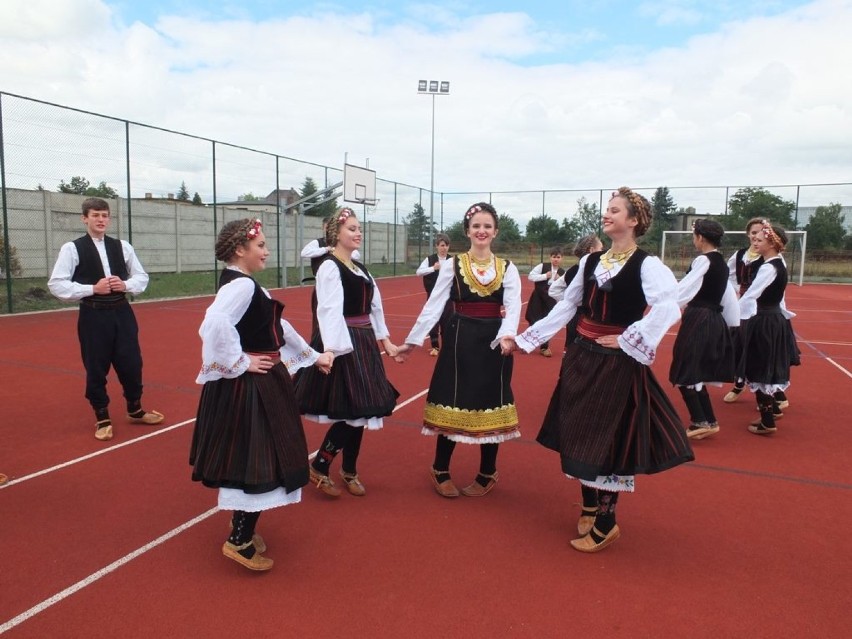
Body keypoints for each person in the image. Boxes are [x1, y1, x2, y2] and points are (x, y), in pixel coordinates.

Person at [513, 187, 693, 553]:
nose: (606, 214)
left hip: (616, 363)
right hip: (583, 356)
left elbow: (668, 308)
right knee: (580, 430)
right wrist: (526, 338)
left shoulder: (647, 265)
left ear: (633, 221)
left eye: (615, 210)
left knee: (608, 438)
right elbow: (567, 306)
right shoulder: (591, 262)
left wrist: (630, 338)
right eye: (607, 209)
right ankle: (590, 506)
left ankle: (607, 522)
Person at [190, 218, 332, 571]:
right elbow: (213, 323)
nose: (267, 251)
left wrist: (314, 357)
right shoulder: (240, 287)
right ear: (241, 250)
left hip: (258, 383)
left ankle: (241, 529)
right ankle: (238, 539)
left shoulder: (247, 285)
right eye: (261, 246)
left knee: (254, 457)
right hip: (251, 387)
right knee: (260, 458)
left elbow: (278, 329)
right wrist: (239, 361)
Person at [395, 202, 521, 498]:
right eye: (476, 225)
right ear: (467, 231)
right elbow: (434, 306)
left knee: (493, 404)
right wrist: (412, 343)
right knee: (452, 400)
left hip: (494, 342)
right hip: (459, 340)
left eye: (487, 226)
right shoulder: (453, 264)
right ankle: (440, 468)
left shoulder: (507, 268)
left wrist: (507, 336)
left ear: (495, 231)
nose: (481, 230)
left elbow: (513, 307)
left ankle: (487, 472)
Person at [294, 208, 400, 498]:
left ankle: (348, 470)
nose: (357, 233)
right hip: (345, 341)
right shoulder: (330, 266)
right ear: (336, 234)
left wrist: (386, 341)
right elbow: (328, 310)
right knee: (354, 412)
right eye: (351, 228)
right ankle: (321, 465)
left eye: (358, 228)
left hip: (364, 341)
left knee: (364, 411)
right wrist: (332, 349)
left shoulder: (360, 267)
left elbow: (374, 306)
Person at [48, 197, 164, 441]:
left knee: (132, 362)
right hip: (93, 314)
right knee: (96, 366)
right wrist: (92, 288)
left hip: (122, 312)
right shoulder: (72, 248)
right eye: (95, 215)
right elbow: (57, 285)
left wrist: (126, 284)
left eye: (104, 215)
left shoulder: (122, 246)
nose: (101, 220)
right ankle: (102, 416)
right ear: (85, 218)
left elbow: (141, 277)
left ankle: (135, 408)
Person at [669, 220, 739, 440]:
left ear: (700, 237)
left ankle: (700, 420)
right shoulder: (721, 263)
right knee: (694, 369)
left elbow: (685, 289)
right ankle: (708, 421)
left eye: (694, 235)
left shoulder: (704, 260)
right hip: (713, 319)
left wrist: (665, 306)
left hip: (699, 318)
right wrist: (732, 323)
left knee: (685, 368)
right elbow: (727, 297)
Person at [737, 221, 797, 435]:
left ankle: (767, 421)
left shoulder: (769, 267)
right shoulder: (777, 263)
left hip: (764, 321)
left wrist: (734, 317)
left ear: (771, 242)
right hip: (772, 320)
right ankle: (770, 414)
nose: (754, 241)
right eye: (754, 238)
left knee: (760, 367)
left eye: (759, 239)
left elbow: (751, 295)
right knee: (765, 367)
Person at [723, 218, 765, 403]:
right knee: (739, 348)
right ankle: (739, 384)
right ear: (748, 234)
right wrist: (735, 292)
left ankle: (773, 393)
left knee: (760, 351)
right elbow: (728, 274)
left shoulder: (770, 257)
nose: (756, 236)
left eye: (761, 232)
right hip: (742, 309)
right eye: (754, 232)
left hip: (762, 310)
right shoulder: (740, 255)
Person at [300, 217, 361, 337]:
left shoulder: (342, 243)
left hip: (342, 284)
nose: (330, 229)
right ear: (324, 228)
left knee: (342, 314)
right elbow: (304, 253)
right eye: (328, 227)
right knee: (321, 316)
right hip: (323, 287)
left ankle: (342, 340)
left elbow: (356, 255)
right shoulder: (318, 243)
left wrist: (339, 250)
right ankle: (320, 343)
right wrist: (326, 249)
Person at [549, 235, 604, 350]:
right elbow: (553, 290)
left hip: (573, 317)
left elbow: (553, 290)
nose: (603, 252)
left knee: (571, 350)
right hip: (589, 319)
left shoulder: (571, 270)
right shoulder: (599, 271)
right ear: (592, 250)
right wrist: (571, 301)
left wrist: (570, 302)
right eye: (601, 249)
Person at [415, 233, 453, 356]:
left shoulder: (452, 260)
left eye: (446, 245)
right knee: (433, 321)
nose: (444, 248)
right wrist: (433, 268)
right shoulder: (430, 259)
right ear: (437, 246)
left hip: (448, 297)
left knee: (447, 322)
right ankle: (435, 347)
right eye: (442, 245)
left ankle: (447, 347)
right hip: (433, 297)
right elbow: (419, 272)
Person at [525, 247, 565, 357]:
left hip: (550, 300)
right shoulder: (542, 266)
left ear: (562, 258)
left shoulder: (562, 273)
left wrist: (559, 280)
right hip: (538, 297)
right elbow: (530, 276)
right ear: (550, 257)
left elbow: (564, 287)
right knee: (533, 319)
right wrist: (545, 276)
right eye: (554, 257)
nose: (556, 259)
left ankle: (544, 347)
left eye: (558, 257)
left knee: (547, 323)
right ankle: (526, 343)